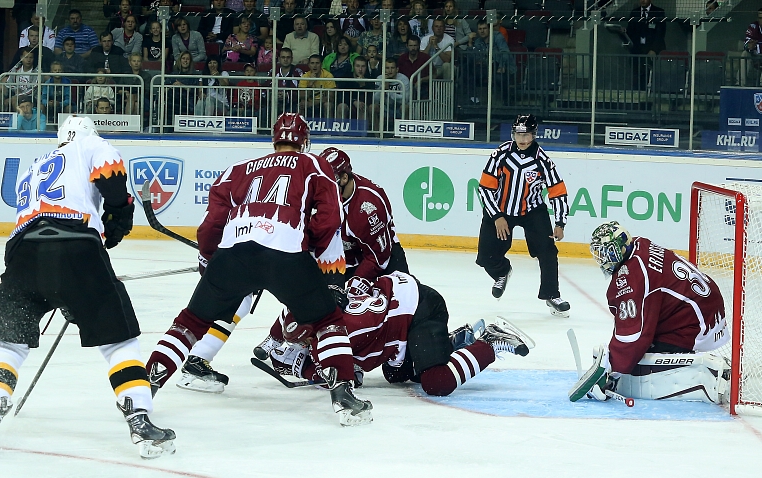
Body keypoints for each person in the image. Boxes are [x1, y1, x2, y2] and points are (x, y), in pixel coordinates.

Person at [146, 113, 373, 427]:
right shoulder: (316, 165)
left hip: (234, 253)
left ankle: (146, 387)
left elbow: (212, 224)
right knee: (327, 320)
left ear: (273, 140)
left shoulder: (237, 170)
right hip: (286, 254)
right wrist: (314, 255)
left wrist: (210, 259)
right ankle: (344, 397)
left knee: (192, 320)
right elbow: (330, 220)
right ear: (305, 142)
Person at [0, 116, 175, 458]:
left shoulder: (35, 167)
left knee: (8, 341)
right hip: (76, 248)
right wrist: (117, 221)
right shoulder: (89, 145)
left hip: (23, 255)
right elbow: (113, 183)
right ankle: (139, 416)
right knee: (118, 340)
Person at [265, 272, 531, 397]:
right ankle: (459, 341)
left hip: (421, 309)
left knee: (436, 382)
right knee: (397, 375)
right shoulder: (326, 308)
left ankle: (491, 340)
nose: (306, 345)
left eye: (305, 340)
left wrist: (305, 369)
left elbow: (348, 378)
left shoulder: (346, 332)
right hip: (400, 310)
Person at [569, 221, 730, 405]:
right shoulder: (639, 244)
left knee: (638, 360)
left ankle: (709, 373)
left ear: (618, 250)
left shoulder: (634, 279)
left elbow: (635, 337)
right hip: (706, 304)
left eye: (605, 253)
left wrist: (612, 372)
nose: (602, 259)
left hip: (698, 322)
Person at [475, 114, 570, 317]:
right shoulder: (500, 154)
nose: (522, 139)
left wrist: (560, 221)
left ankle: (551, 294)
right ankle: (501, 272)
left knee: (547, 252)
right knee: (485, 256)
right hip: (500, 210)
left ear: (534, 135)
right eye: (518, 134)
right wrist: (497, 216)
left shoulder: (543, 160)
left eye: (526, 135)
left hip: (532, 211)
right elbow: (485, 188)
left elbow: (558, 191)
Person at [319, 147, 408, 281]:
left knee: (402, 296)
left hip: (383, 255)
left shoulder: (369, 206)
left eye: (330, 182)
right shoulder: (320, 197)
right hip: (344, 262)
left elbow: (378, 257)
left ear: (344, 178)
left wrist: (355, 284)